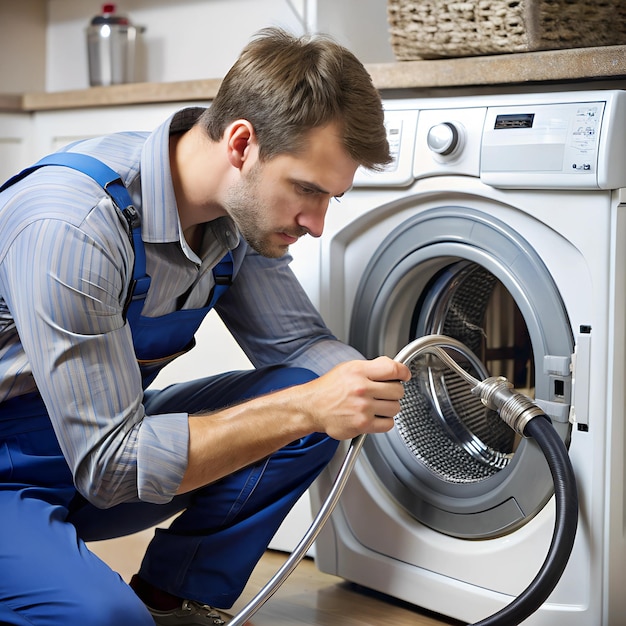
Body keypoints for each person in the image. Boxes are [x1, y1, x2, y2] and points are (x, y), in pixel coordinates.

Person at [0, 27, 410, 626]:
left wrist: (386, 392)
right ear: (242, 143)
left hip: (86, 454)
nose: (317, 223)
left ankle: (173, 598)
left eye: (332, 199)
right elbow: (113, 466)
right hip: (43, 466)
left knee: (314, 395)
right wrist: (308, 406)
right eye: (306, 190)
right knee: (104, 620)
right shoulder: (78, 224)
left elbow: (302, 348)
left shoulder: (232, 220)